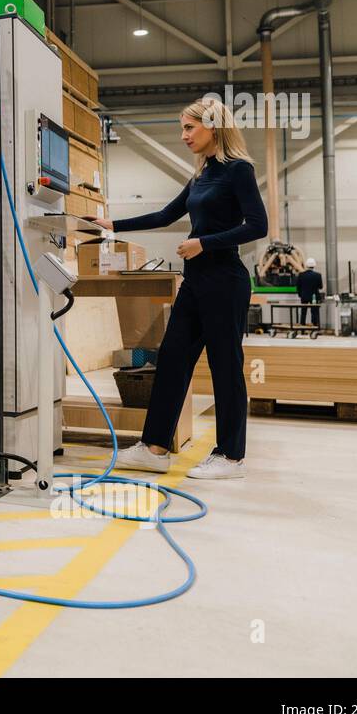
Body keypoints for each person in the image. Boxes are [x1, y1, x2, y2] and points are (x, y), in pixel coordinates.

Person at [85, 97, 267, 480]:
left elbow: (257, 226)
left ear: (212, 127)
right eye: (182, 127)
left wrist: (206, 242)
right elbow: (166, 215)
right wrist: (111, 225)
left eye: (189, 127)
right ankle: (154, 448)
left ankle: (231, 456)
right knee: (171, 359)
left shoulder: (238, 171)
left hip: (224, 280)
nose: (183, 135)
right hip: (196, 281)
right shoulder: (200, 176)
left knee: (224, 367)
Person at [296, 257, 323, 328]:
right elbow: (320, 287)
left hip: (304, 296)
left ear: (306, 265)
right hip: (314, 297)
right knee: (314, 312)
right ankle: (314, 326)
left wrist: (300, 295)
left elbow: (298, 287)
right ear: (314, 265)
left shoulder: (301, 275)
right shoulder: (318, 275)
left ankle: (302, 327)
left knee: (303, 312)